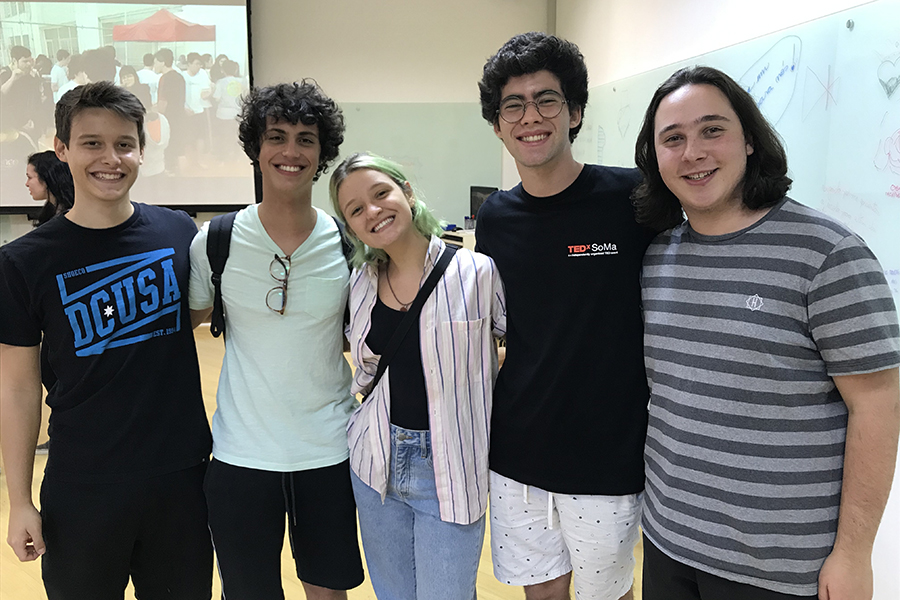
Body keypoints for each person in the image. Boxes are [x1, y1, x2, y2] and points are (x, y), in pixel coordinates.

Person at [634, 65, 900, 600]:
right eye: (673, 139)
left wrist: (853, 554)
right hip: (668, 542)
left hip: (781, 567)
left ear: (749, 140)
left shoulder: (827, 254)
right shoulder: (658, 256)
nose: (693, 153)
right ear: (655, 157)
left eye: (712, 130)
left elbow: (878, 404)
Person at [0, 81, 213, 599]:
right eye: (92, 143)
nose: (110, 159)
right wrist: (20, 501)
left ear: (141, 150)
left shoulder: (178, 232)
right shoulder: (23, 261)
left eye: (124, 144)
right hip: (83, 482)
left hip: (181, 475)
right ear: (62, 149)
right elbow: (18, 388)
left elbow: (189, 318)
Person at [475, 32, 659, 600]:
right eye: (513, 105)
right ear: (498, 124)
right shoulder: (496, 217)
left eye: (546, 99)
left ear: (575, 111)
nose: (530, 116)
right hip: (518, 451)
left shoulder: (633, 198)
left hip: (607, 455)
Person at [188, 80, 364, 600]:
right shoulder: (215, 241)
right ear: (256, 148)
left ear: (322, 153)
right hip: (240, 455)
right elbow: (181, 327)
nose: (291, 151)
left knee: (328, 592)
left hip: (329, 451)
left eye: (306, 139)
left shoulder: (350, 242)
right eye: (277, 137)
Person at [330, 152, 507, 599]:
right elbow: (365, 365)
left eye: (381, 193)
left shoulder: (476, 272)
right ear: (351, 227)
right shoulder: (361, 282)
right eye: (356, 209)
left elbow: (519, 346)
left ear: (407, 193)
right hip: (376, 459)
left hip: (451, 465)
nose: (373, 211)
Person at [154, 48, 186, 173]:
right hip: (179, 115)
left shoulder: (164, 78)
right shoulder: (180, 77)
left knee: (166, 144)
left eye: (156, 62)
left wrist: (157, 114)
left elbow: (163, 101)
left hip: (167, 117)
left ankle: (169, 169)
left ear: (162, 62)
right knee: (177, 143)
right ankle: (177, 170)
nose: (154, 65)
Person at [26, 150, 75, 226]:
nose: (27, 184)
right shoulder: (51, 212)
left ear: (46, 177)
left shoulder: (72, 216)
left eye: (30, 177)